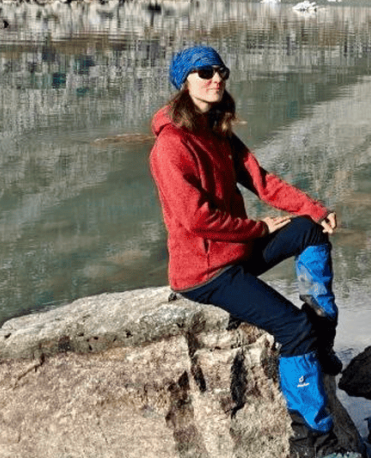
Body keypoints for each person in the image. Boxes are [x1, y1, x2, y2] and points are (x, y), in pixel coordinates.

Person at [149, 45, 357, 458]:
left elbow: (261, 181)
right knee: (291, 330)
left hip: (235, 252)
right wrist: (259, 228)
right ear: (183, 82)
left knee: (309, 232)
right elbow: (196, 220)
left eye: (220, 71)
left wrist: (314, 209)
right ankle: (313, 443)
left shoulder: (217, 130)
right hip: (206, 273)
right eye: (204, 72)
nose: (216, 79)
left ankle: (323, 339)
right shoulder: (171, 146)